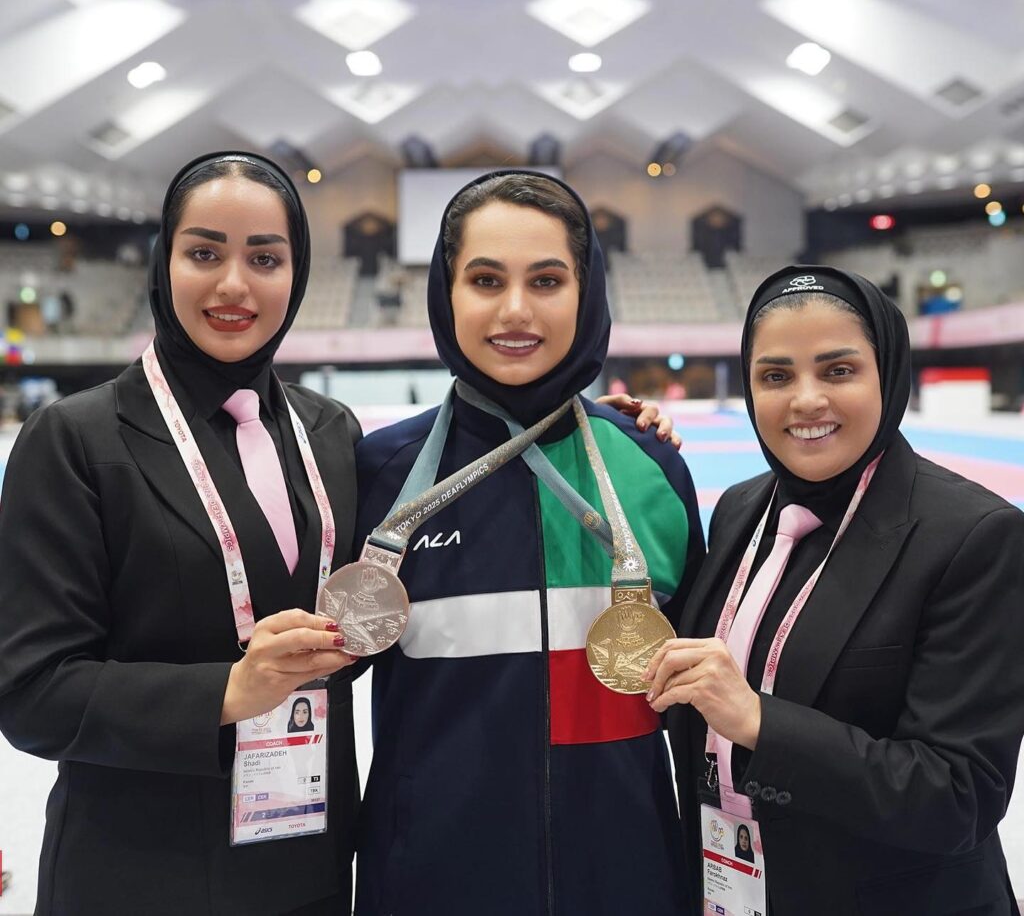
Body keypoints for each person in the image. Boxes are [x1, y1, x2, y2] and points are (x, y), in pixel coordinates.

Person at [0, 151, 361, 916]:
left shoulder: (331, 432)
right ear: (164, 263)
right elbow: (33, 691)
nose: (234, 284)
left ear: (296, 273)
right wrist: (227, 692)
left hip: (308, 868)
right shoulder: (76, 439)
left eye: (265, 258)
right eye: (204, 253)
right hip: (138, 878)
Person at [353, 170, 706, 916]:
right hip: (430, 885)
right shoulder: (380, 475)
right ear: (446, 293)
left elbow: (698, 709)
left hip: (625, 883)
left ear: (587, 291)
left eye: (546, 280)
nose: (516, 310)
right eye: (486, 280)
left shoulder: (650, 468)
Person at [648, 266, 1024, 915]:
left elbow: (958, 795)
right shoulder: (740, 510)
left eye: (839, 370)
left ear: (887, 373)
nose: (805, 400)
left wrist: (761, 722)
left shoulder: (974, 536)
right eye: (776, 376)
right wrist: (621, 444)